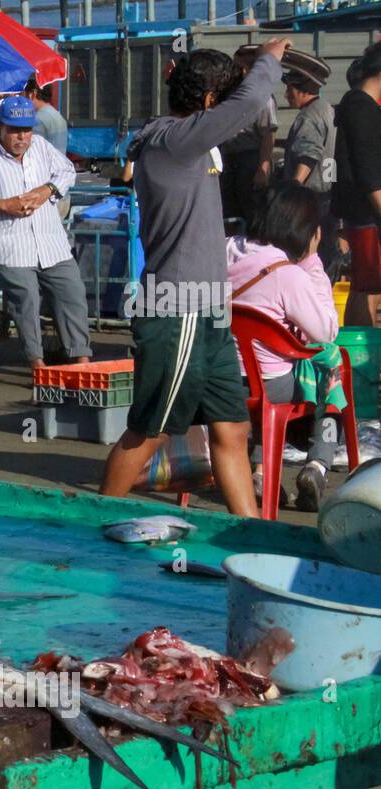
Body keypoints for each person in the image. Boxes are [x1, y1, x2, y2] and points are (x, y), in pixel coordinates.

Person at [99, 39, 292, 517]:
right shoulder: (172, 140)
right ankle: (96, 524)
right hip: (177, 306)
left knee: (231, 429)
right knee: (151, 428)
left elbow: (240, 107)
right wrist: (269, 60)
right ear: (208, 102)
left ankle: (251, 534)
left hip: (207, 308)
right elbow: (247, 104)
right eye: (218, 101)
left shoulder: (184, 140)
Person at [228, 184, 344, 512]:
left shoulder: (226, 249)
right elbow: (326, 331)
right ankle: (317, 465)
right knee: (330, 376)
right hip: (271, 386)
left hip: (219, 378)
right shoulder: (288, 274)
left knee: (257, 402)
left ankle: (260, 471)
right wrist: (313, 263)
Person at [0, 96, 91, 370]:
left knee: (72, 292)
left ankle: (82, 360)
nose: (22, 137)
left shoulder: (41, 147)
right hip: (10, 247)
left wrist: (47, 190)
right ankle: (37, 364)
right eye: (15, 130)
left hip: (51, 243)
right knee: (26, 298)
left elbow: (66, 171)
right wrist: (2, 205)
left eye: (26, 130)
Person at [332, 41, 381, 328]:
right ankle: (363, 354)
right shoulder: (361, 108)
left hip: (362, 212)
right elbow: (368, 169)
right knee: (366, 287)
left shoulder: (357, 106)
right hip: (368, 214)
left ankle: (362, 352)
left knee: (366, 286)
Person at [282, 70, 337, 273]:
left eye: (289, 90)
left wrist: (294, 186)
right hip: (328, 193)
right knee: (326, 251)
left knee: (309, 254)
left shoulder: (309, 116)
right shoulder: (326, 109)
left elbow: (309, 154)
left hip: (311, 195)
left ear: (303, 91)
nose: (286, 95)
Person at [219, 75, 278, 232]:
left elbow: (268, 135)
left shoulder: (262, 97)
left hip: (251, 158)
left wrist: (263, 168)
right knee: (229, 212)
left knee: (253, 212)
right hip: (227, 158)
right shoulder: (227, 95)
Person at [24, 77, 68, 154]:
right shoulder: (56, 114)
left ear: (32, 94)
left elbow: (32, 150)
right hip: (59, 162)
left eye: (24, 95)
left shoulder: (37, 119)